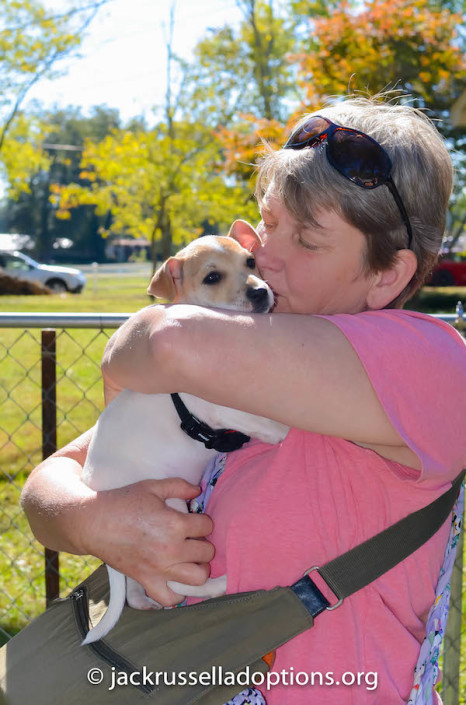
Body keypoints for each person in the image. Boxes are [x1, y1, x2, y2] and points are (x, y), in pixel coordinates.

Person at [21, 97, 466, 704]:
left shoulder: (431, 363)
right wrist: (95, 519)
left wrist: (128, 351)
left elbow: (166, 341)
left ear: (386, 275)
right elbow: (46, 487)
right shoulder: (242, 351)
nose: (266, 258)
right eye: (269, 222)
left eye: (307, 239)